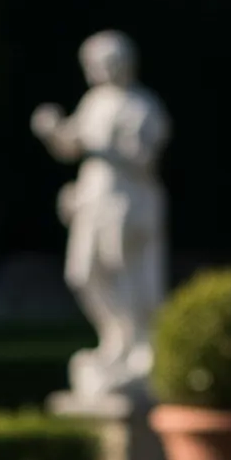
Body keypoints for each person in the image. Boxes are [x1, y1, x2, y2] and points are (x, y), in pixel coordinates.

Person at [31, 31, 170, 401]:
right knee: (83, 273)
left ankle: (137, 347)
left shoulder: (142, 106)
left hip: (126, 200)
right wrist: (52, 131)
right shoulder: (94, 101)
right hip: (94, 197)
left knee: (125, 272)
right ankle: (114, 339)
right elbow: (72, 145)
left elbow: (143, 159)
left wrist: (100, 150)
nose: (93, 71)